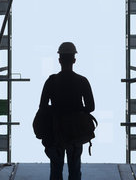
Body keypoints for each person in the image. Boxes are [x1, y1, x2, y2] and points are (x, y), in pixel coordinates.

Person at [39, 42, 95, 180]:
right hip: (75, 132)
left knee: (56, 170)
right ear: (74, 60)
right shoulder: (82, 81)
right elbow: (91, 107)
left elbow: (42, 107)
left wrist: (57, 110)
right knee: (75, 170)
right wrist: (77, 110)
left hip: (56, 130)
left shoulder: (51, 81)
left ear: (59, 60)